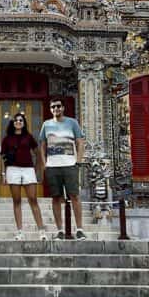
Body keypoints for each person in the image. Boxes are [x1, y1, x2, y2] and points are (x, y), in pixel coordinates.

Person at [38, 98, 86, 240]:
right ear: (51, 109)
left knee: (75, 196)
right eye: (53, 107)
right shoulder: (46, 124)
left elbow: (80, 142)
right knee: (56, 198)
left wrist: (78, 161)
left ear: (63, 108)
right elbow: (42, 144)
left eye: (58, 106)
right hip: (53, 165)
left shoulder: (72, 123)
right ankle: (60, 230)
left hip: (70, 164)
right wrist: (44, 162)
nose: (56, 109)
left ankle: (79, 229)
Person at [2, 113, 48, 241]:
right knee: (17, 201)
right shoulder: (7, 139)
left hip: (28, 170)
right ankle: (20, 232)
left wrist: (37, 169)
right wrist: (4, 174)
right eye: (16, 120)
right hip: (13, 170)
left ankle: (41, 231)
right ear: (12, 123)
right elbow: (3, 158)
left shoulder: (29, 137)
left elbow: (37, 152)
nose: (18, 122)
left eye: (20, 120)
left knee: (33, 199)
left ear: (24, 122)